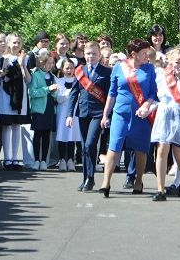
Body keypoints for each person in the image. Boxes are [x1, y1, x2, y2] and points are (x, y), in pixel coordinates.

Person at [98, 39, 157, 197]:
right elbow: (111, 93)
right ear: (133, 54)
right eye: (143, 53)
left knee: (140, 149)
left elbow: (153, 92)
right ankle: (106, 182)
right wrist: (105, 114)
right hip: (120, 114)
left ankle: (138, 181)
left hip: (141, 115)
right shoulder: (119, 67)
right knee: (114, 146)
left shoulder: (149, 69)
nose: (147, 56)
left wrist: (146, 105)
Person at [151, 48, 180, 201]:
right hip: (164, 113)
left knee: (179, 153)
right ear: (170, 61)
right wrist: (147, 107)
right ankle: (160, 189)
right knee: (162, 149)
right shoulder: (161, 74)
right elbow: (157, 96)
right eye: (177, 62)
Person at [69, 41, 111, 191]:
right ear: (84, 55)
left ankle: (91, 178)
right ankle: (86, 178)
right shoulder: (80, 71)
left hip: (98, 113)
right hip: (83, 113)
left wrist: (107, 115)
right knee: (83, 148)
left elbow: (109, 96)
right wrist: (69, 114)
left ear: (99, 55)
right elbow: (74, 94)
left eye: (94, 53)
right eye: (88, 53)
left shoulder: (106, 72)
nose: (91, 56)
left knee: (90, 144)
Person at [0, 34, 29, 170]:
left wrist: (22, 64)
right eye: (14, 42)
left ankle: (15, 158)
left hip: (21, 95)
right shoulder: (3, 59)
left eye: (19, 43)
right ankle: (7, 158)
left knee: (17, 125)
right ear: (8, 44)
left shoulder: (25, 58)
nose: (17, 45)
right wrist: (1, 74)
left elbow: (28, 79)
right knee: (7, 126)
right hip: (6, 95)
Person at [28, 52, 58, 170]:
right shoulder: (36, 75)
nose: (50, 65)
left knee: (47, 135)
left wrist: (54, 91)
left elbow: (55, 95)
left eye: (52, 63)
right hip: (39, 109)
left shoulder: (52, 76)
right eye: (48, 63)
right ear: (41, 63)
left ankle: (44, 160)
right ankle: (36, 160)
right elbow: (32, 92)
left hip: (50, 108)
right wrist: (47, 89)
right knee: (38, 134)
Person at [54, 59, 80, 172]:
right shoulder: (58, 81)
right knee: (62, 134)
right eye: (67, 68)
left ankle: (70, 159)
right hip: (62, 111)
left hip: (74, 111)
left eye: (71, 68)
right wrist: (67, 95)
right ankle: (62, 160)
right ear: (62, 69)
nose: (69, 70)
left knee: (72, 135)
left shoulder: (78, 80)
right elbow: (57, 98)